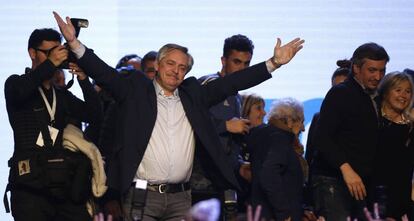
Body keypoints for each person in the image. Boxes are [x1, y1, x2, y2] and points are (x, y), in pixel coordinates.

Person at [54, 11, 304, 221]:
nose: (176, 71)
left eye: (182, 67)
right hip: (143, 197)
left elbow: (231, 83)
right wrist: (75, 44)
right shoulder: (135, 92)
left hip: (182, 198)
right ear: (160, 65)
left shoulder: (193, 95)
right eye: (171, 64)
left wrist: (273, 63)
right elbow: (105, 73)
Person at [4, 28, 102, 221]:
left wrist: (83, 79)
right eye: (49, 52)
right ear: (32, 53)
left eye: (59, 52)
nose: (57, 57)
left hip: (62, 185)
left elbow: (95, 115)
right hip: (30, 189)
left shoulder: (61, 95)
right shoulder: (15, 83)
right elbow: (21, 91)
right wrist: (51, 64)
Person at [311, 43, 389, 220]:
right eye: (372, 70)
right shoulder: (340, 93)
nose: (378, 76)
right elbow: (322, 138)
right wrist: (347, 170)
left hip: (362, 183)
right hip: (334, 180)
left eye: (382, 71)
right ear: (356, 68)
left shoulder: (376, 97)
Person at [195, 34, 255, 219]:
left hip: (224, 182)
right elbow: (187, 121)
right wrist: (225, 125)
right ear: (223, 60)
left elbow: (228, 145)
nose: (242, 69)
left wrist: (239, 166)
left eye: (247, 64)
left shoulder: (236, 97)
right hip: (200, 182)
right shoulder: (207, 85)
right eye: (237, 62)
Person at [248, 97, 306, 221]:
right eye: (301, 121)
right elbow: (269, 174)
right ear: (289, 121)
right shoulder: (280, 139)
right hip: (275, 215)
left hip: (261, 212)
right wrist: (284, 213)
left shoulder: (260, 134)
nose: (303, 128)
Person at [371, 72, 414, 219]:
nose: (403, 95)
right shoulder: (372, 119)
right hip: (369, 194)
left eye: (408, 91)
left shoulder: (410, 127)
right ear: (385, 91)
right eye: (398, 90)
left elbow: (406, 171)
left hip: (398, 199)